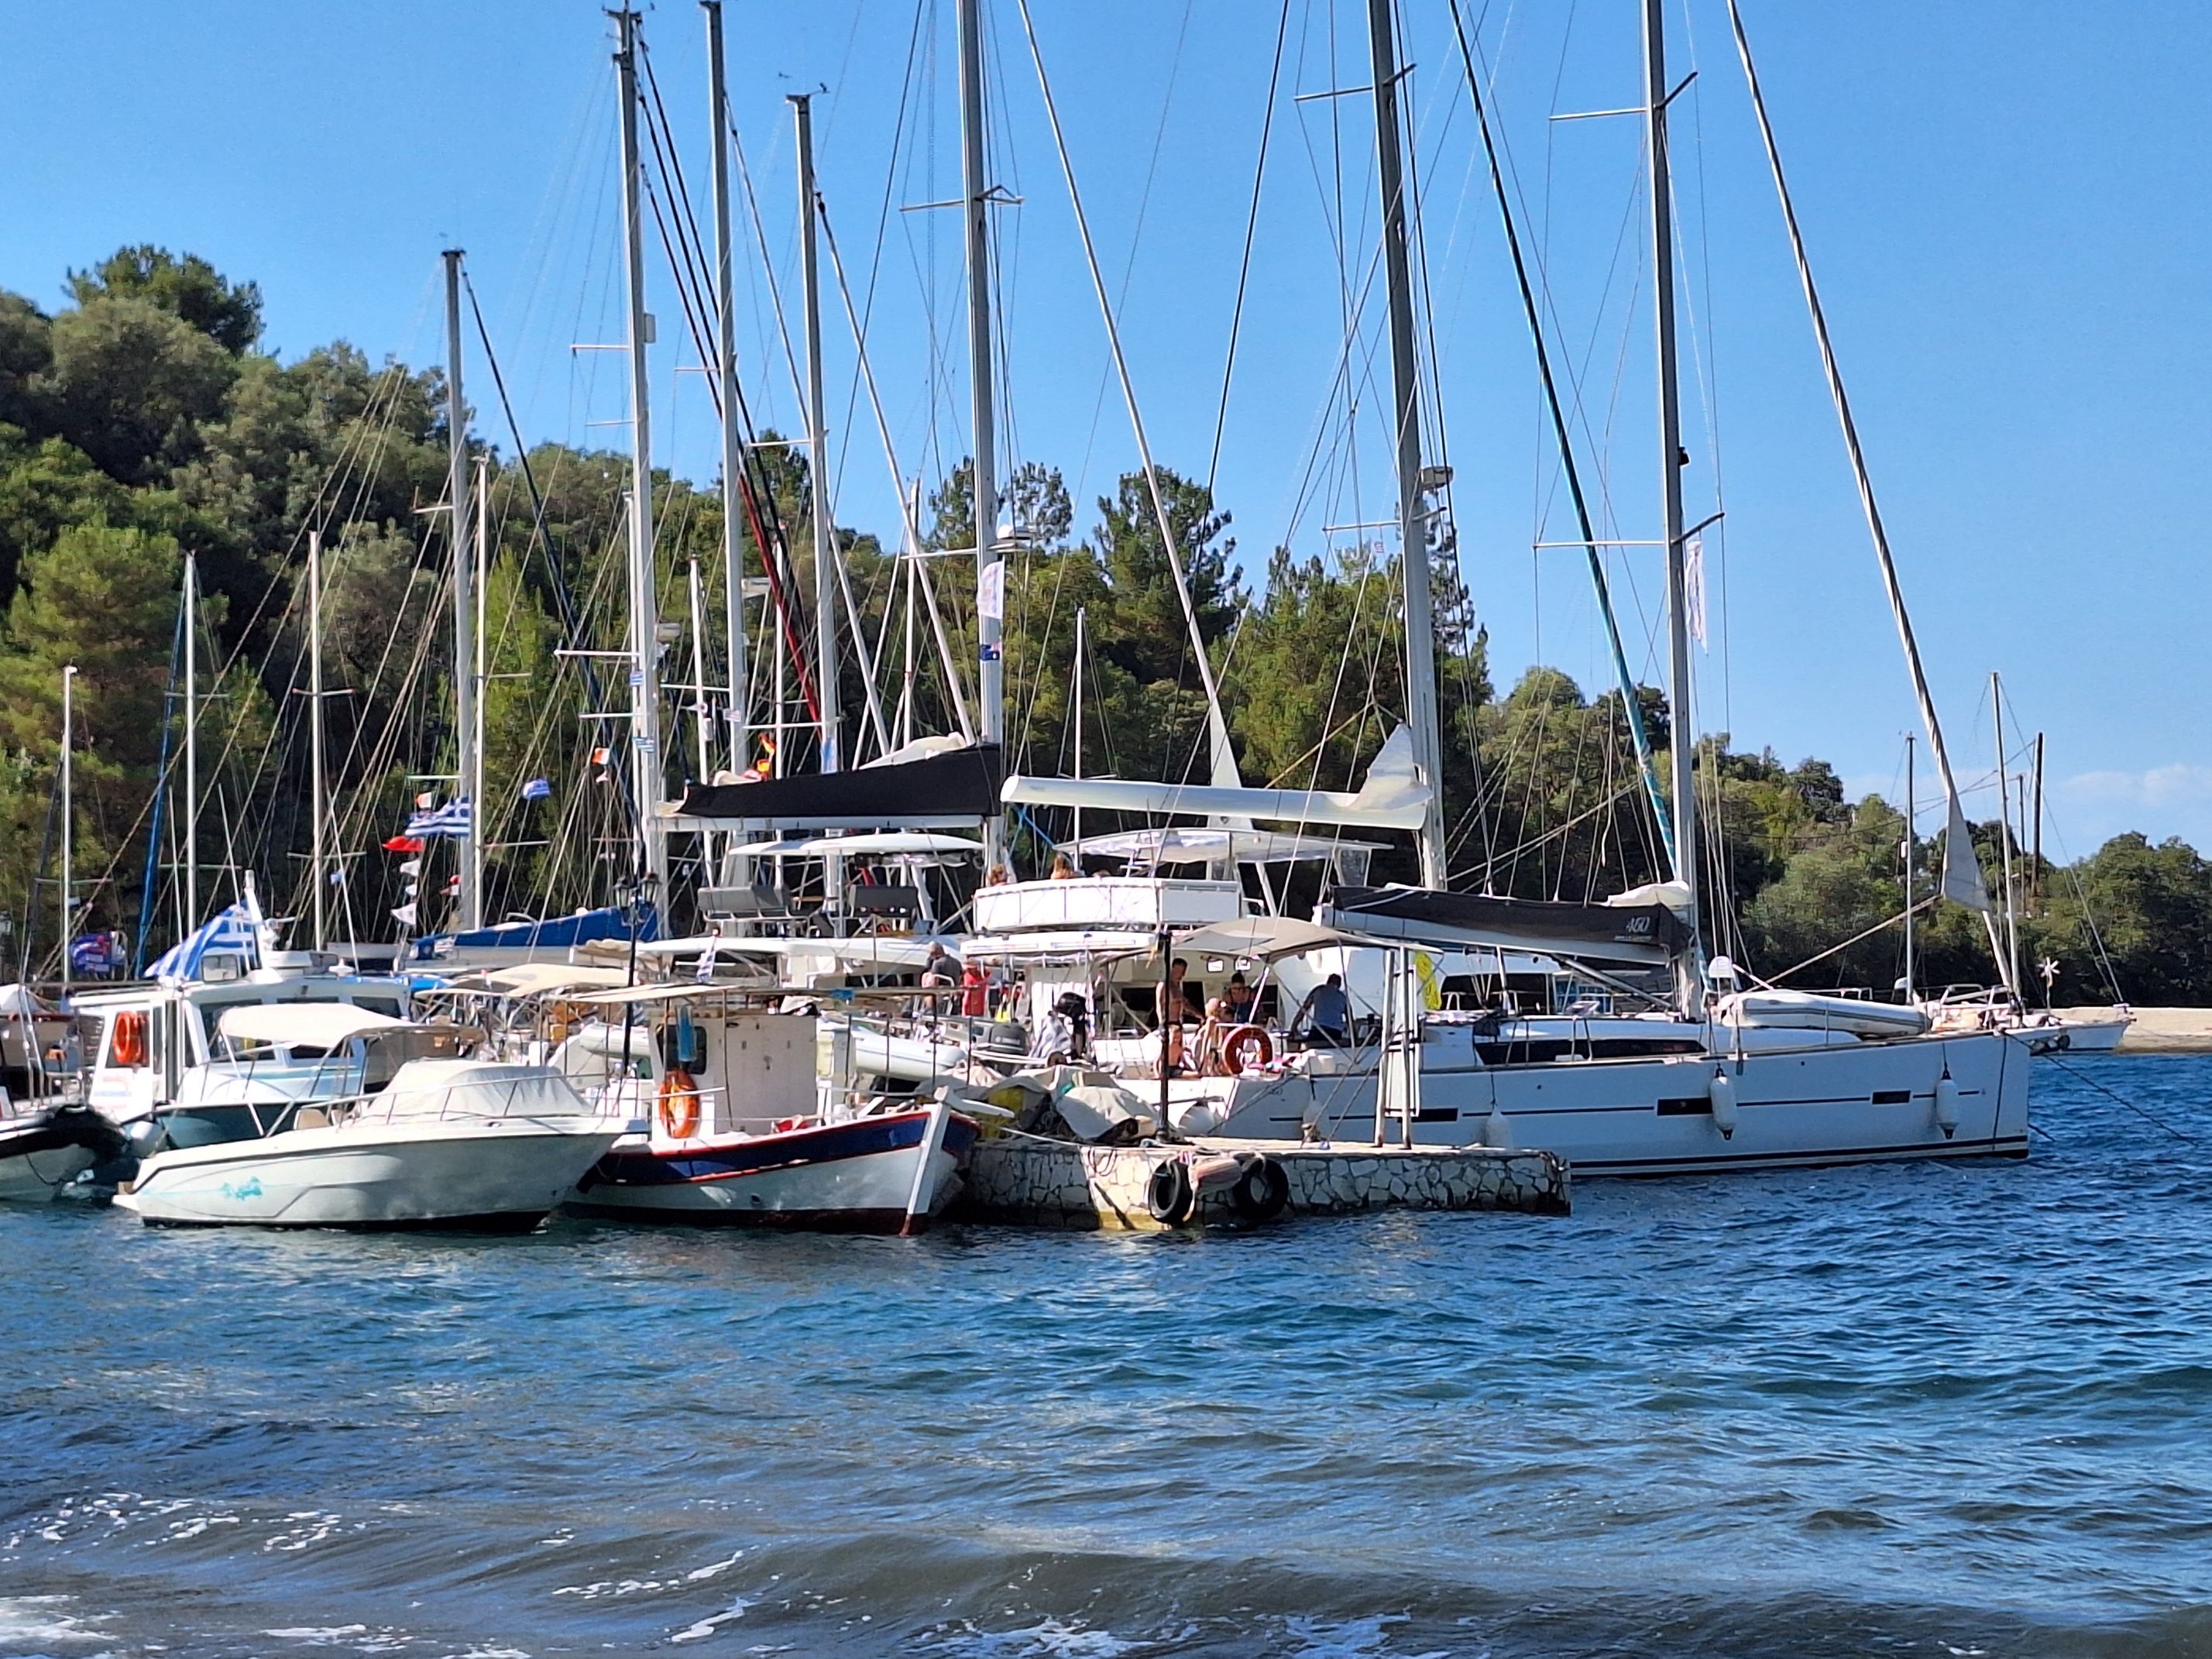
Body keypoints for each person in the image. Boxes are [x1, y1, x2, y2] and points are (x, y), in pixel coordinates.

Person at [1292, 973, 1352, 1047]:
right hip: (1335, 1032)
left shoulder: (1318, 990)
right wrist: (1354, 1036)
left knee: (1308, 1046)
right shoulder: (1342, 997)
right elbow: (1350, 1018)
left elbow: (1304, 1010)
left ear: (1327, 982)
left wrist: (1294, 1027)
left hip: (1318, 1030)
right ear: (1339, 985)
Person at [1154, 957, 1190, 1073]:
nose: (1181, 975)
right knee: (1165, 1049)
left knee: (1177, 1048)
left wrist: (1200, 1015)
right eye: (1179, 971)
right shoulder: (1164, 985)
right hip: (1168, 1023)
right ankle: (1159, 1072)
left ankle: (1175, 1067)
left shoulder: (1178, 987)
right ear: (1173, 969)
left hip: (1177, 1022)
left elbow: (1185, 1005)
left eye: (1183, 972)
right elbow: (1159, 1005)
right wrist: (1162, 1024)